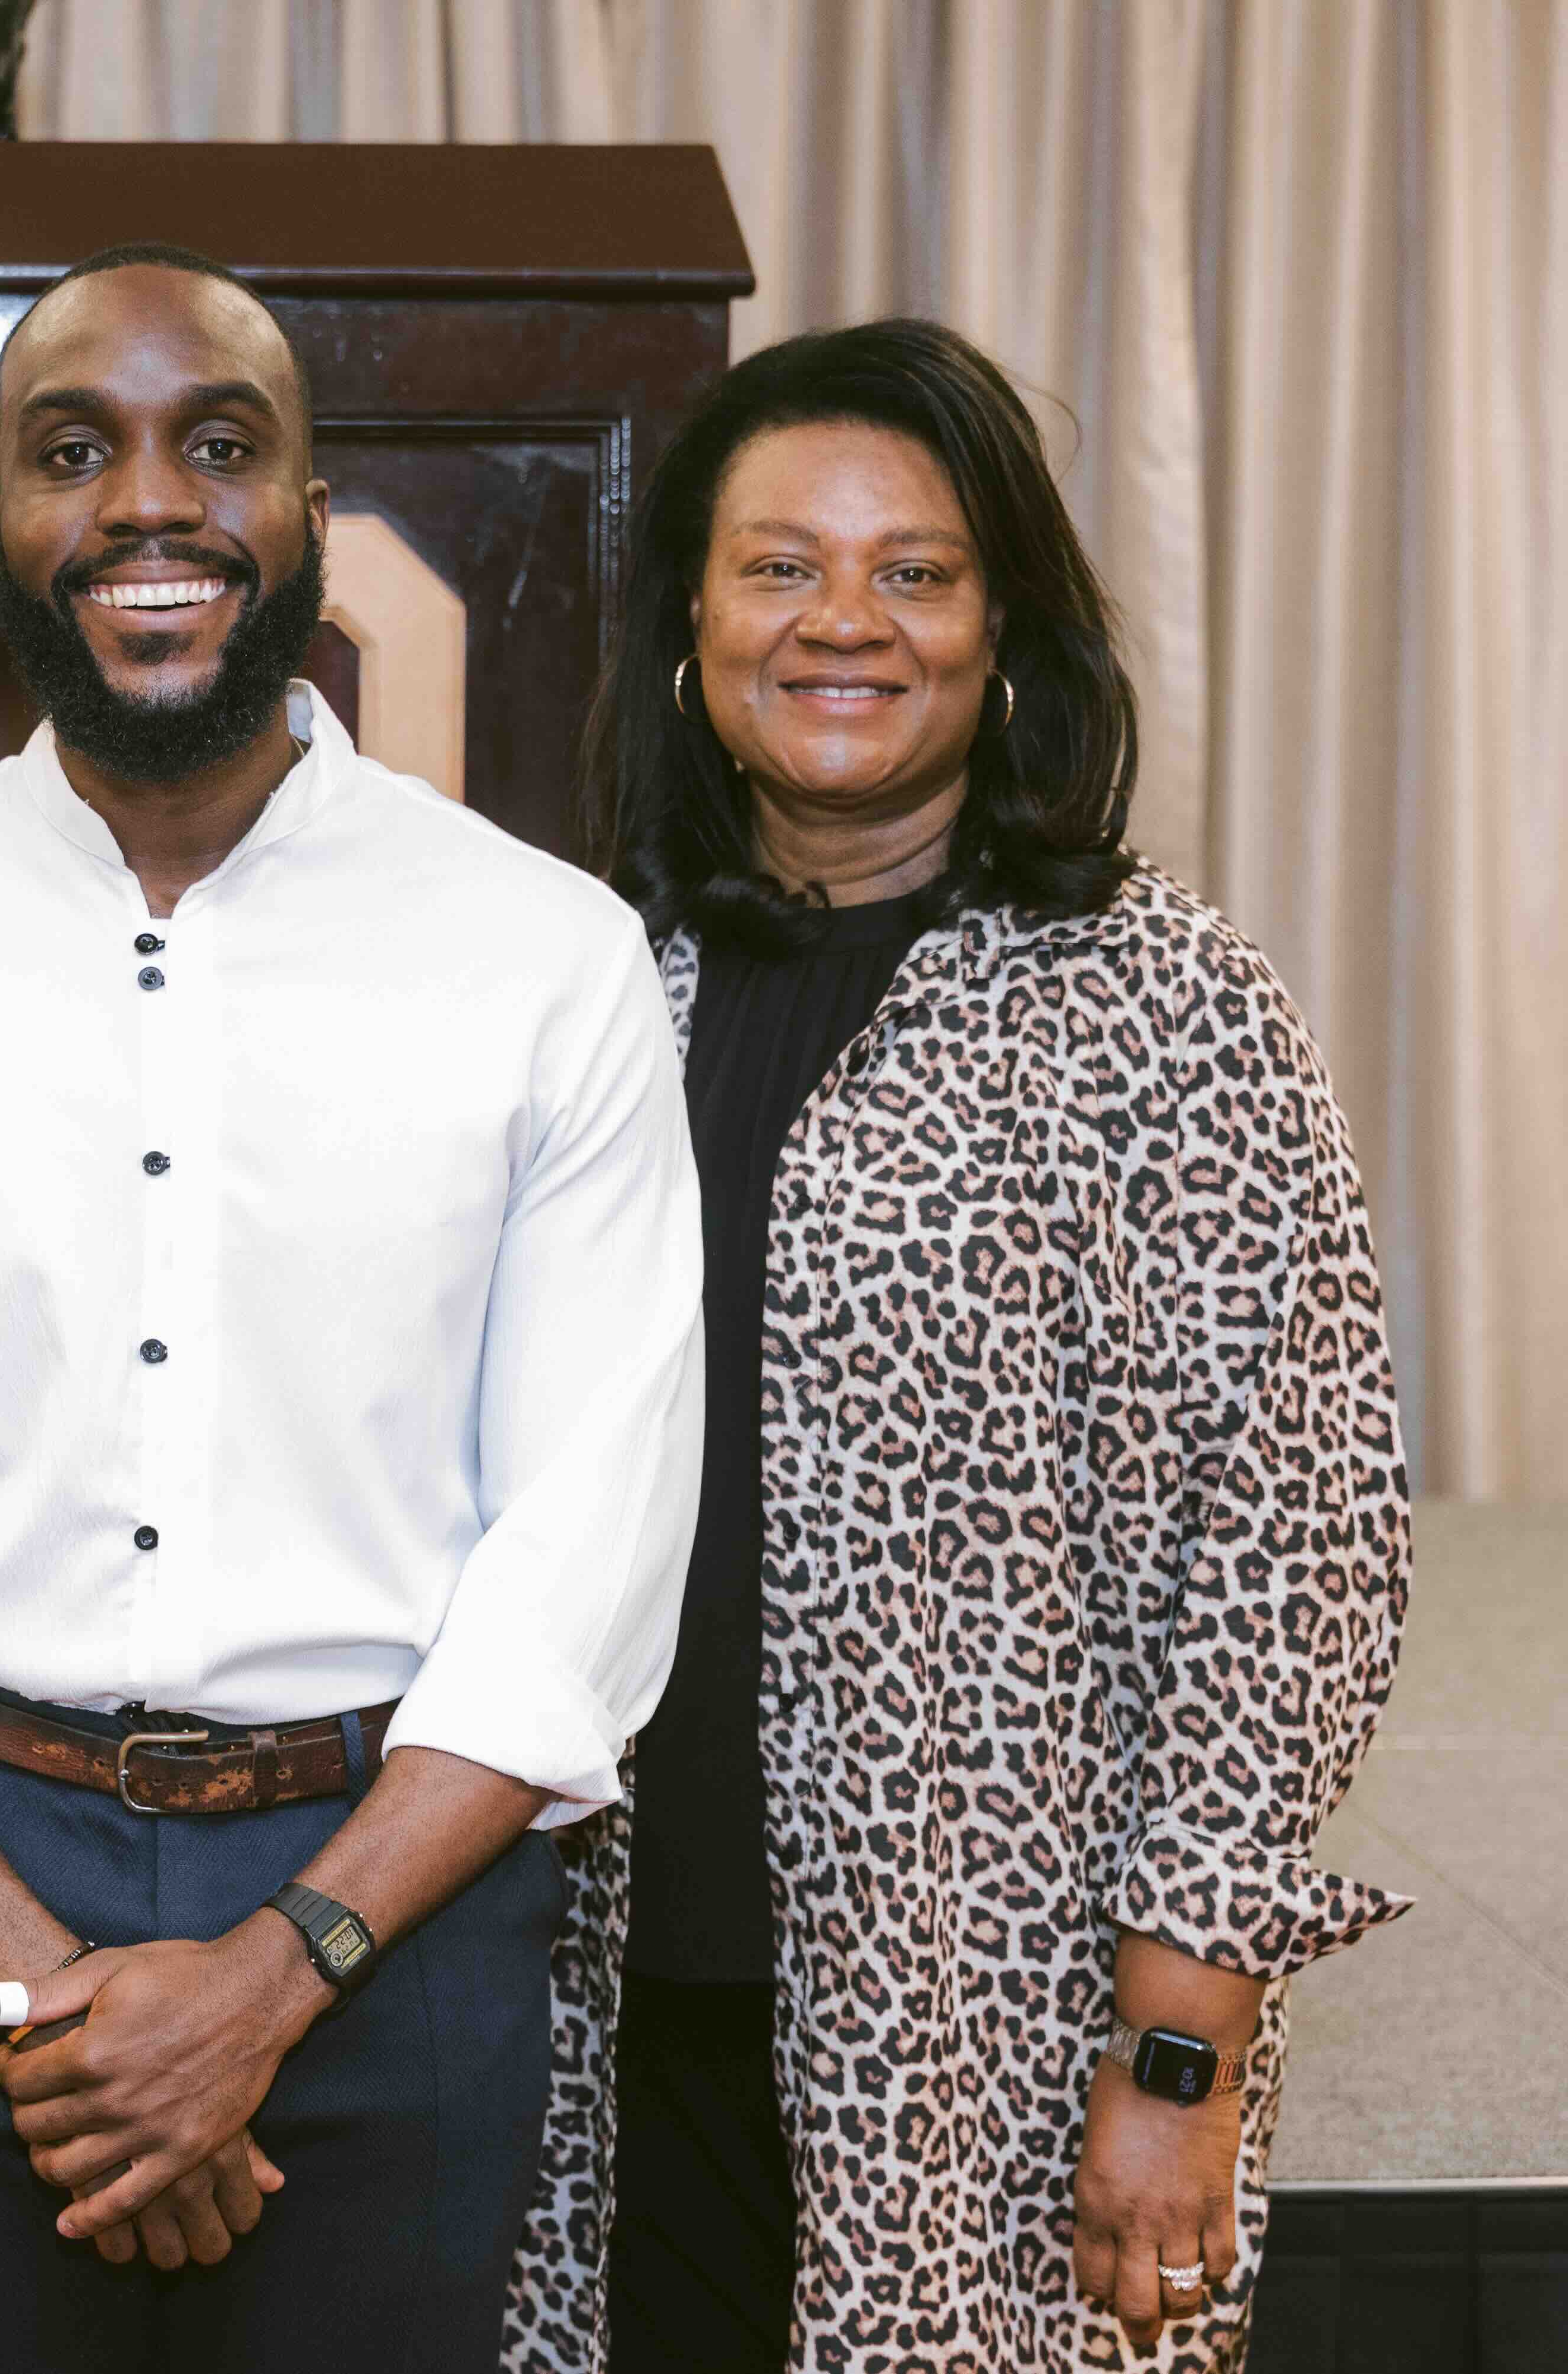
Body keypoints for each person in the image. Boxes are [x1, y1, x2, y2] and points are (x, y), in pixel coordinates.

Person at [0, 244, 705, 2370]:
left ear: (314, 514)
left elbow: (584, 1547)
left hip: (400, 1891)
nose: (148, 504)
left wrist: (280, 1966)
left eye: (221, 445)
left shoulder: (544, 956)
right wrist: (52, 1998)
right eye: (70, 451)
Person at [574, 317, 1413, 2373]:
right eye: (778, 565)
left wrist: (1179, 2049)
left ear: (1004, 623)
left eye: (915, 571)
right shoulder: (597, 985)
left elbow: (1300, 1556)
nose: (842, 620)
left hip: (1004, 2038)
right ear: (692, 621)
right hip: (602, 1995)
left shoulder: (1167, 1007)